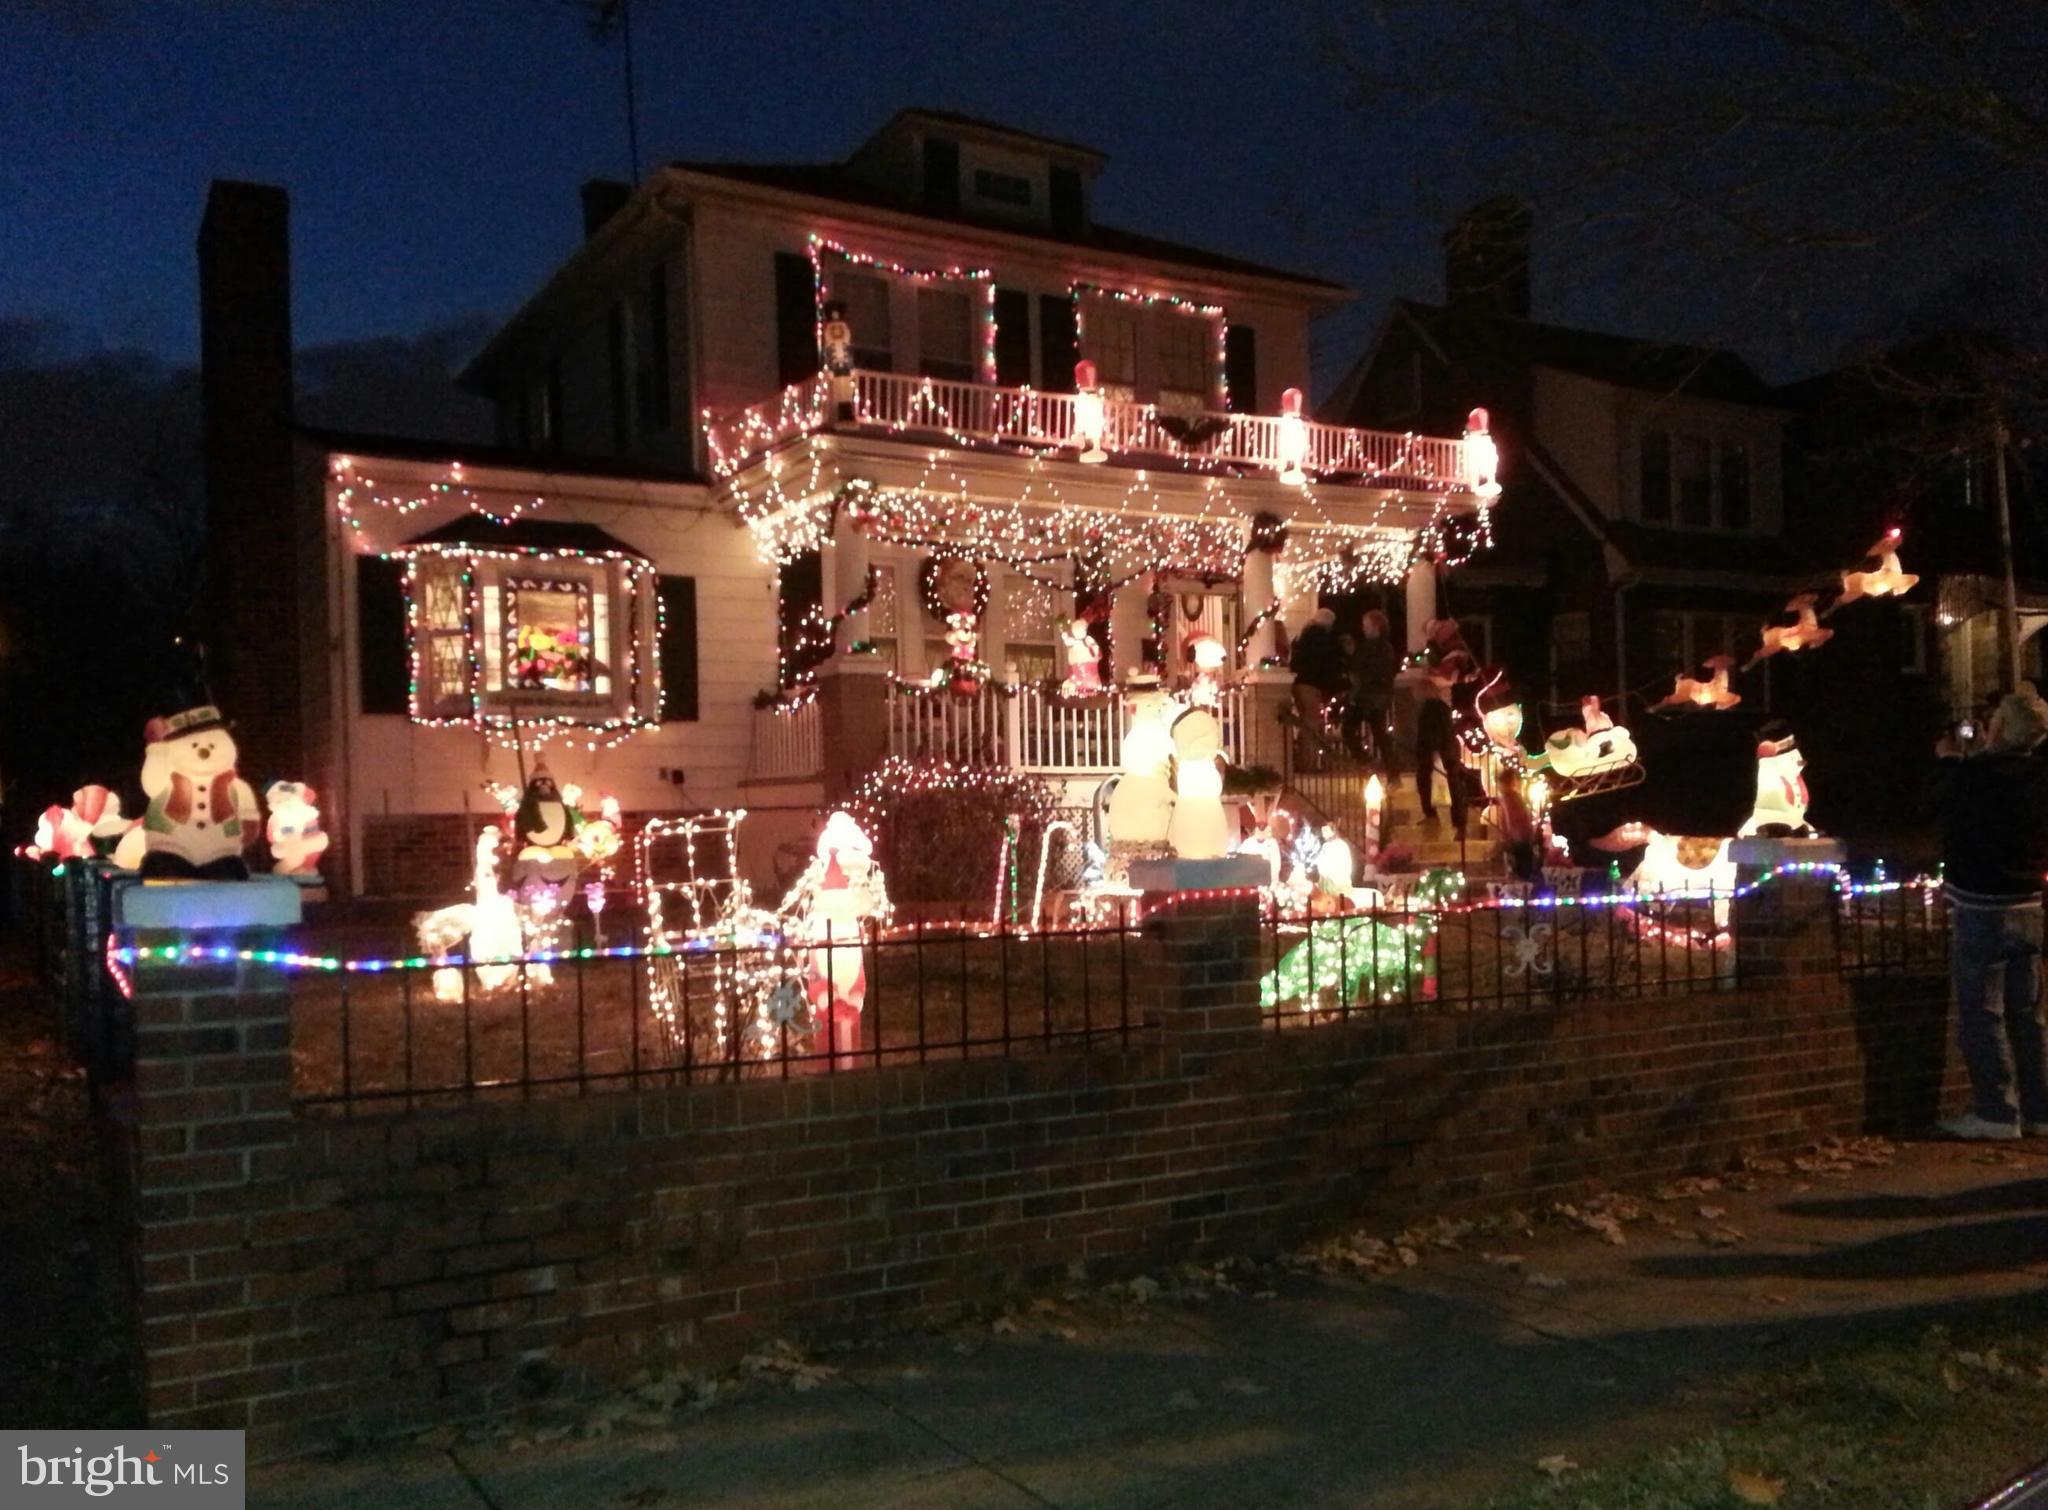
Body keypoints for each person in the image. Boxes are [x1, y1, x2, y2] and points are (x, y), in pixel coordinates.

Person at [1933, 688, 2048, 1140]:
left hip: (1982, 905)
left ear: (1998, 727)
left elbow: (1943, 810)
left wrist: (1948, 760)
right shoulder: (2040, 776)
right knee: (2029, 1013)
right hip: (2030, 904)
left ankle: (1996, 1112)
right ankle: (2040, 1110)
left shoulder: (1974, 776)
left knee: (1983, 1013)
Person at [1415, 617, 1477, 837]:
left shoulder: (1454, 653)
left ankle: (1458, 821)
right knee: (1426, 764)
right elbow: (1430, 676)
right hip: (1435, 709)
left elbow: (1444, 677)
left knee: (1449, 765)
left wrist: (1433, 677)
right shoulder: (1437, 652)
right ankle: (1434, 814)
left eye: (1438, 631)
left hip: (1440, 709)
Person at [1349, 609, 1400, 770]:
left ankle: (1363, 758)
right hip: (1380, 694)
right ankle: (1392, 770)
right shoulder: (1387, 647)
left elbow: (1361, 669)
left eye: (1366, 625)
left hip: (1368, 695)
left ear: (1375, 626)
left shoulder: (1371, 647)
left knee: (1348, 727)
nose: (1364, 628)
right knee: (1379, 732)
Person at [1288, 607, 1346, 736]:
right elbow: (1326, 662)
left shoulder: (1303, 636)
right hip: (1311, 684)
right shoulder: (1321, 638)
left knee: (1306, 721)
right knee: (1312, 723)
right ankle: (1310, 754)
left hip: (1299, 682)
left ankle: (1306, 753)